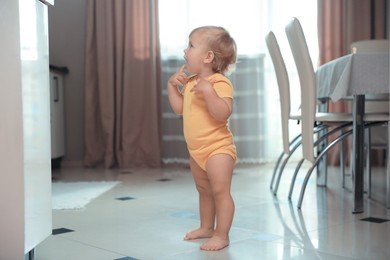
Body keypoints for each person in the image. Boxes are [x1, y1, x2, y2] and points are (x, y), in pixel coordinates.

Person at [167, 26, 237, 251]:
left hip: (218, 149)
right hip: (196, 150)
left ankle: (221, 234)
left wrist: (208, 91)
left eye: (191, 46)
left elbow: (222, 113)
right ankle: (207, 227)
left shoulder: (219, 83)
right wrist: (172, 87)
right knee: (204, 190)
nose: (185, 51)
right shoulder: (191, 82)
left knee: (219, 191)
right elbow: (179, 109)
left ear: (208, 57)